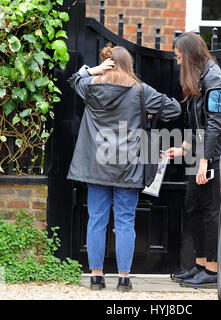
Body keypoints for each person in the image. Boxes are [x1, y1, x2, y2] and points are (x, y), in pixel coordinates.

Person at [67, 45, 181, 292]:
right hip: (127, 166)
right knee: (125, 222)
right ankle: (124, 279)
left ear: (107, 63)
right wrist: (147, 114)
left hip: (96, 165)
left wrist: (94, 70)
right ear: (129, 65)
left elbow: (75, 78)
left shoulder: (91, 88)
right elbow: (174, 108)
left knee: (96, 219)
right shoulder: (141, 91)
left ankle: (96, 277)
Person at [166, 32, 221, 287]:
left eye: (179, 57)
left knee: (210, 211)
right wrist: (182, 149)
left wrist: (205, 161)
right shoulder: (199, 77)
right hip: (200, 152)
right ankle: (201, 265)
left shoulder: (213, 76)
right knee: (193, 206)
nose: (178, 62)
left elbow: (215, 124)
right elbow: (198, 125)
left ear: (190, 54)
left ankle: (213, 271)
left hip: (214, 154)